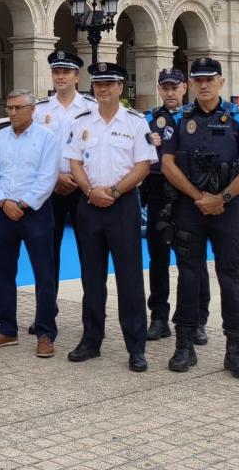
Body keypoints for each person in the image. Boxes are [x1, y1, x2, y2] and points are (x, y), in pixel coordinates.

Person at [161, 57, 239, 380]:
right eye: (198, 79)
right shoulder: (180, 119)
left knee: (230, 277)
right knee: (188, 277)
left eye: (209, 79)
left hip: (227, 210)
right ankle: (185, 347)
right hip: (190, 208)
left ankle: (235, 351)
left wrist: (222, 198)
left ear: (220, 82)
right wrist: (197, 196)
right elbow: (168, 164)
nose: (204, 85)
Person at [64, 62, 155, 372]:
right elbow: (74, 162)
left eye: (109, 83)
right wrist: (90, 191)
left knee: (129, 278)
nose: (102, 88)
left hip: (123, 206)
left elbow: (143, 166)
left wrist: (113, 192)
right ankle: (91, 340)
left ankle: (136, 347)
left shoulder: (135, 122)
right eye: (98, 83)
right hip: (89, 205)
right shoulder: (81, 121)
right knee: (91, 277)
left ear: (120, 87)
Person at [0, 89, 60, 357]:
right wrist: (4, 202)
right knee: (2, 273)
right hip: (5, 212)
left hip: (35, 212)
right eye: (9, 108)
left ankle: (46, 333)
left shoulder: (47, 138)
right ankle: (6, 329)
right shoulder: (0, 138)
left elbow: (47, 178)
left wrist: (23, 204)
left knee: (44, 275)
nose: (12, 113)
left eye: (18, 108)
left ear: (32, 109)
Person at [31, 50, 96, 335]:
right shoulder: (41, 109)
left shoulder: (91, 107)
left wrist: (79, 179)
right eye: (56, 71)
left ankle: (91, 318)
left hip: (83, 189)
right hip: (50, 188)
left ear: (76, 76)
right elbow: (34, 149)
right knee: (47, 256)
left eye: (65, 72)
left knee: (89, 256)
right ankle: (45, 314)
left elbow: (95, 150)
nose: (60, 76)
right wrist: (55, 176)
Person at [142, 68, 208, 344]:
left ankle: (195, 320)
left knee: (192, 261)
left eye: (174, 87)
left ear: (184, 88)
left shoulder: (198, 117)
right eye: (165, 87)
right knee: (158, 258)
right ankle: (159, 317)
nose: (170, 92)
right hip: (158, 191)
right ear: (159, 89)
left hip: (188, 193)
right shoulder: (147, 119)